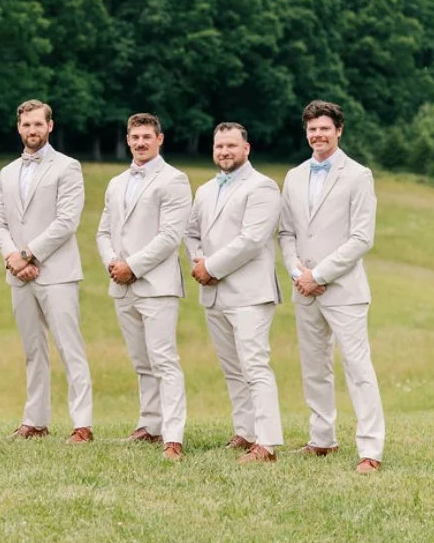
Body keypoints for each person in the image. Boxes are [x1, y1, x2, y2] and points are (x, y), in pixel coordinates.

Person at [278, 100, 385, 474]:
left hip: (343, 290)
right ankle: (322, 438)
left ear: (338, 130)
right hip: (304, 289)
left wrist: (319, 275)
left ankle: (370, 449)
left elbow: (362, 238)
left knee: (358, 368)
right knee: (314, 367)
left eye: (324, 128)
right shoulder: (293, 176)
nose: (317, 134)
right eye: (312, 129)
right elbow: (286, 233)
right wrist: (297, 273)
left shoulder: (358, 175)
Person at [0, 99, 94, 443]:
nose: (32, 130)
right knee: (32, 350)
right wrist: (12, 258)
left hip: (57, 272)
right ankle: (35, 421)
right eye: (26, 124)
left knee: (69, 347)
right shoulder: (7, 172)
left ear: (50, 126)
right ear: (18, 127)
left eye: (38, 124)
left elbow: (67, 221)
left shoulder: (68, 167)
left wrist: (28, 255)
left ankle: (82, 424)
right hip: (19, 275)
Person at [95, 113, 193, 462]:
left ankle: (173, 436)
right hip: (122, 285)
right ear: (127, 140)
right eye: (135, 137)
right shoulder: (117, 182)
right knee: (141, 361)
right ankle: (149, 425)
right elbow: (103, 231)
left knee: (164, 360)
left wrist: (132, 266)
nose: (140, 143)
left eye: (146, 137)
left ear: (159, 139)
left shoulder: (174, 180)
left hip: (157, 285)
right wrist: (112, 263)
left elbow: (170, 236)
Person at [186, 122, 283, 463]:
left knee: (255, 365)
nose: (224, 151)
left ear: (246, 148)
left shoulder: (263, 187)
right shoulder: (204, 190)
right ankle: (246, 431)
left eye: (231, 145)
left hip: (249, 293)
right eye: (219, 146)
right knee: (232, 368)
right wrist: (198, 261)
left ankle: (267, 443)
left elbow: (252, 240)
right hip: (214, 294)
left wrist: (210, 268)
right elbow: (191, 233)